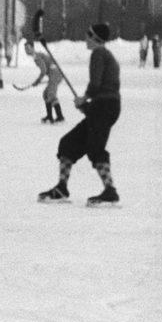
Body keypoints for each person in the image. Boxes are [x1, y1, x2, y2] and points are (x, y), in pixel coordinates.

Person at [38, 23, 121, 206]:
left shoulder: (98, 54)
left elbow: (96, 83)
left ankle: (110, 191)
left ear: (94, 38)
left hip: (105, 106)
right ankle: (61, 188)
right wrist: (90, 107)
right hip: (105, 106)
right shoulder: (107, 55)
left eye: (88, 35)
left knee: (95, 148)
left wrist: (85, 98)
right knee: (68, 144)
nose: (85, 38)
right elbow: (105, 87)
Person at [23, 39, 65, 123]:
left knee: (49, 94)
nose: (26, 50)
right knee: (46, 94)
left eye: (28, 48)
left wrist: (38, 81)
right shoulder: (37, 55)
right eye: (25, 48)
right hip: (55, 74)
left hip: (55, 74)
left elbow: (44, 70)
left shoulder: (37, 57)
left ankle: (57, 117)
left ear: (32, 48)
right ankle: (53, 116)